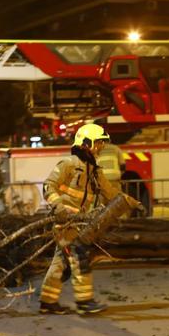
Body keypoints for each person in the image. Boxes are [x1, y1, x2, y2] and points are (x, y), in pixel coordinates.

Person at [39, 123, 124, 315]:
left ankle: (47, 302)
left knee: (60, 261)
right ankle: (85, 302)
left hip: (79, 223)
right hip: (65, 222)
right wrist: (58, 207)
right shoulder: (69, 164)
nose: (101, 148)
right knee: (80, 257)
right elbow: (48, 186)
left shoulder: (94, 171)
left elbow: (111, 194)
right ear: (86, 143)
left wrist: (129, 203)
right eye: (98, 144)